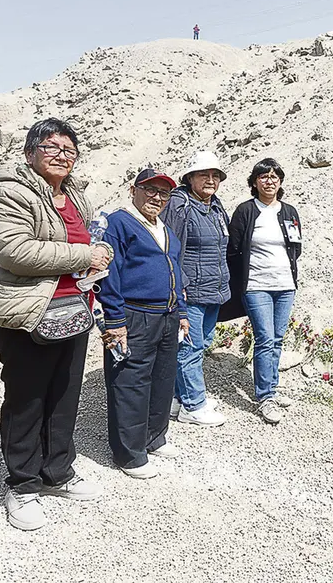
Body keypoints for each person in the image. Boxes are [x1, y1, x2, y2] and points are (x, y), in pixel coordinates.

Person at [0, 118, 111, 530]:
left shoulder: (73, 194)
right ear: (30, 153)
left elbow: (85, 239)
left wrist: (98, 251)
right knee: (28, 397)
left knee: (64, 395)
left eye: (70, 150)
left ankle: (58, 471)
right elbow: (15, 252)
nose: (62, 156)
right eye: (52, 147)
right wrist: (86, 256)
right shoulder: (8, 192)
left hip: (74, 308)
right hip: (27, 311)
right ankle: (23, 484)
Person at [97, 169, 189, 479]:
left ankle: (154, 437)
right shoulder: (118, 223)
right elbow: (108, 274)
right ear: (133, 190)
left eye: (164, 193)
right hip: (134, 315)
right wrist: (115, 319)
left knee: (163, 379)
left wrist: (183, 312)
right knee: (130, 382)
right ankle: (129, 454)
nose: (157, 197)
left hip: (168, 314)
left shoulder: (165, 229)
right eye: (150, 190)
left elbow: (176, 272)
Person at [221, 158, 301, 425]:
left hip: (285, 285)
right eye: (264, 176)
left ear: (280, 181)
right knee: (265, 338)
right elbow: (233, 249)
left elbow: (295, 247)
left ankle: (272, 389)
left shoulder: (289, 211)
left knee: (277, 338)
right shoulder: (246, 210)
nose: (270, 181)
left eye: (274, 176)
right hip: (256, 285)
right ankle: (265, 396)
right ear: (255, 182)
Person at [162, 151, 230, 427]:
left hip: (214, 289)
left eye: (215, 175)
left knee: (201, 344)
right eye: (204, 175)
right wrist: (179, 289)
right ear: (189, 177)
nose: (210, 180)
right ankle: (194, 405)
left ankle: (178, 398)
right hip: (191, 289)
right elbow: (171, 248)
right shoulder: (180, 205)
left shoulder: (215, 206)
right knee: (190, 348)